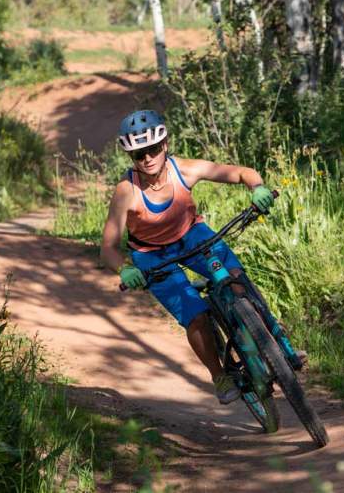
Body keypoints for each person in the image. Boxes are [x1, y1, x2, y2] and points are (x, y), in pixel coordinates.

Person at [100, 110, 275, 405]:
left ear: (165, 144)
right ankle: (220, 376)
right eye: (138, 154)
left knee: (235, 280)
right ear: (131, 156)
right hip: (151, 255)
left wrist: (257, 188)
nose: (147, 158)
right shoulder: (126, 191)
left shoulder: (185, 169)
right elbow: (108, 247)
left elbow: (241, 172)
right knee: (195, 315)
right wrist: (125, 269)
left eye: (153, 149)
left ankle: (273, 336)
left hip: (192, 235)